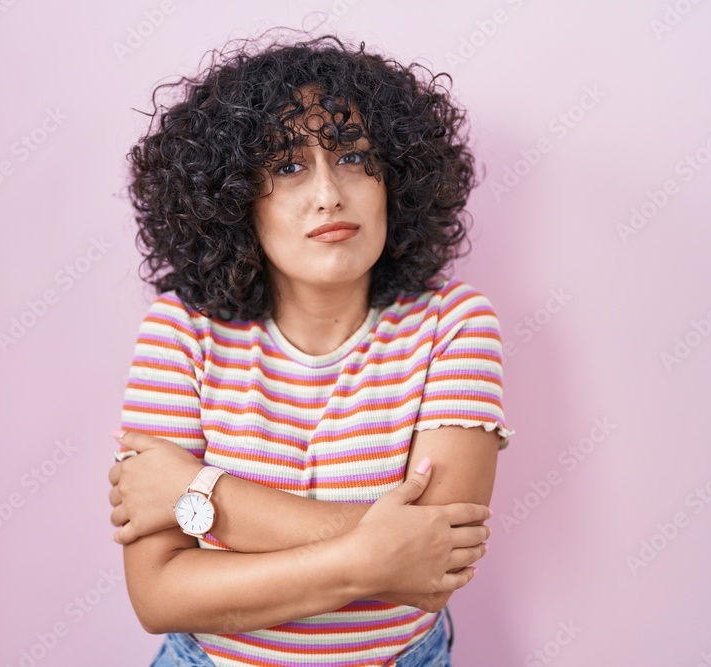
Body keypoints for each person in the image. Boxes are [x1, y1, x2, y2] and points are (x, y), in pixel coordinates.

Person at [108, 30, 514, 667]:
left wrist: (201, 494)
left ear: (396, 179)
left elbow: (435, 567)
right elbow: (159, 597)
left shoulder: (453, 324)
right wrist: (373, 557)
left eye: (352, 156)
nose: (329, 192)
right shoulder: (182, 329)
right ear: (234, 197)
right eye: (288, 166)